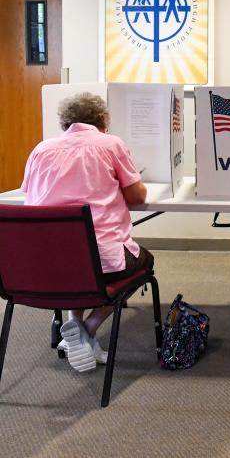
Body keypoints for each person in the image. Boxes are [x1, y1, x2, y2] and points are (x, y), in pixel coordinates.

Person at [21, 92, 151, 373]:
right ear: (103, 120)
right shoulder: (110, 144)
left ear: (64, 123)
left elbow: (29, 195)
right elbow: (138, 196)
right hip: (102, 261)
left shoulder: (41, 149)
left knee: (76, 264)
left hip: (46, 264)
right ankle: (88, 330)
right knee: (144, 262)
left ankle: (75, 328)